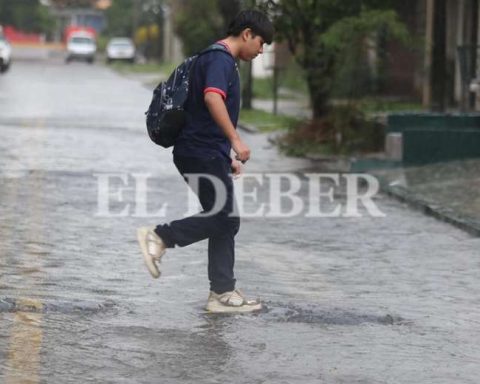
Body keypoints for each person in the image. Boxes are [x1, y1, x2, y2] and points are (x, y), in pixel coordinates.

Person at [137, 10, 274, 313]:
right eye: (261, 43)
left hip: (204, 151)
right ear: (247, 33)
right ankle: (160, 236)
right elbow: (213, 99)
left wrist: (226, 156)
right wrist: (236, 141)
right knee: (225, 217)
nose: (261, 50)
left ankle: (222, 293)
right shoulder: (220, 60)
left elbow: (203, 116)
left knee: (224, 218)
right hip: (200, 152)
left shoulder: (216, 58)